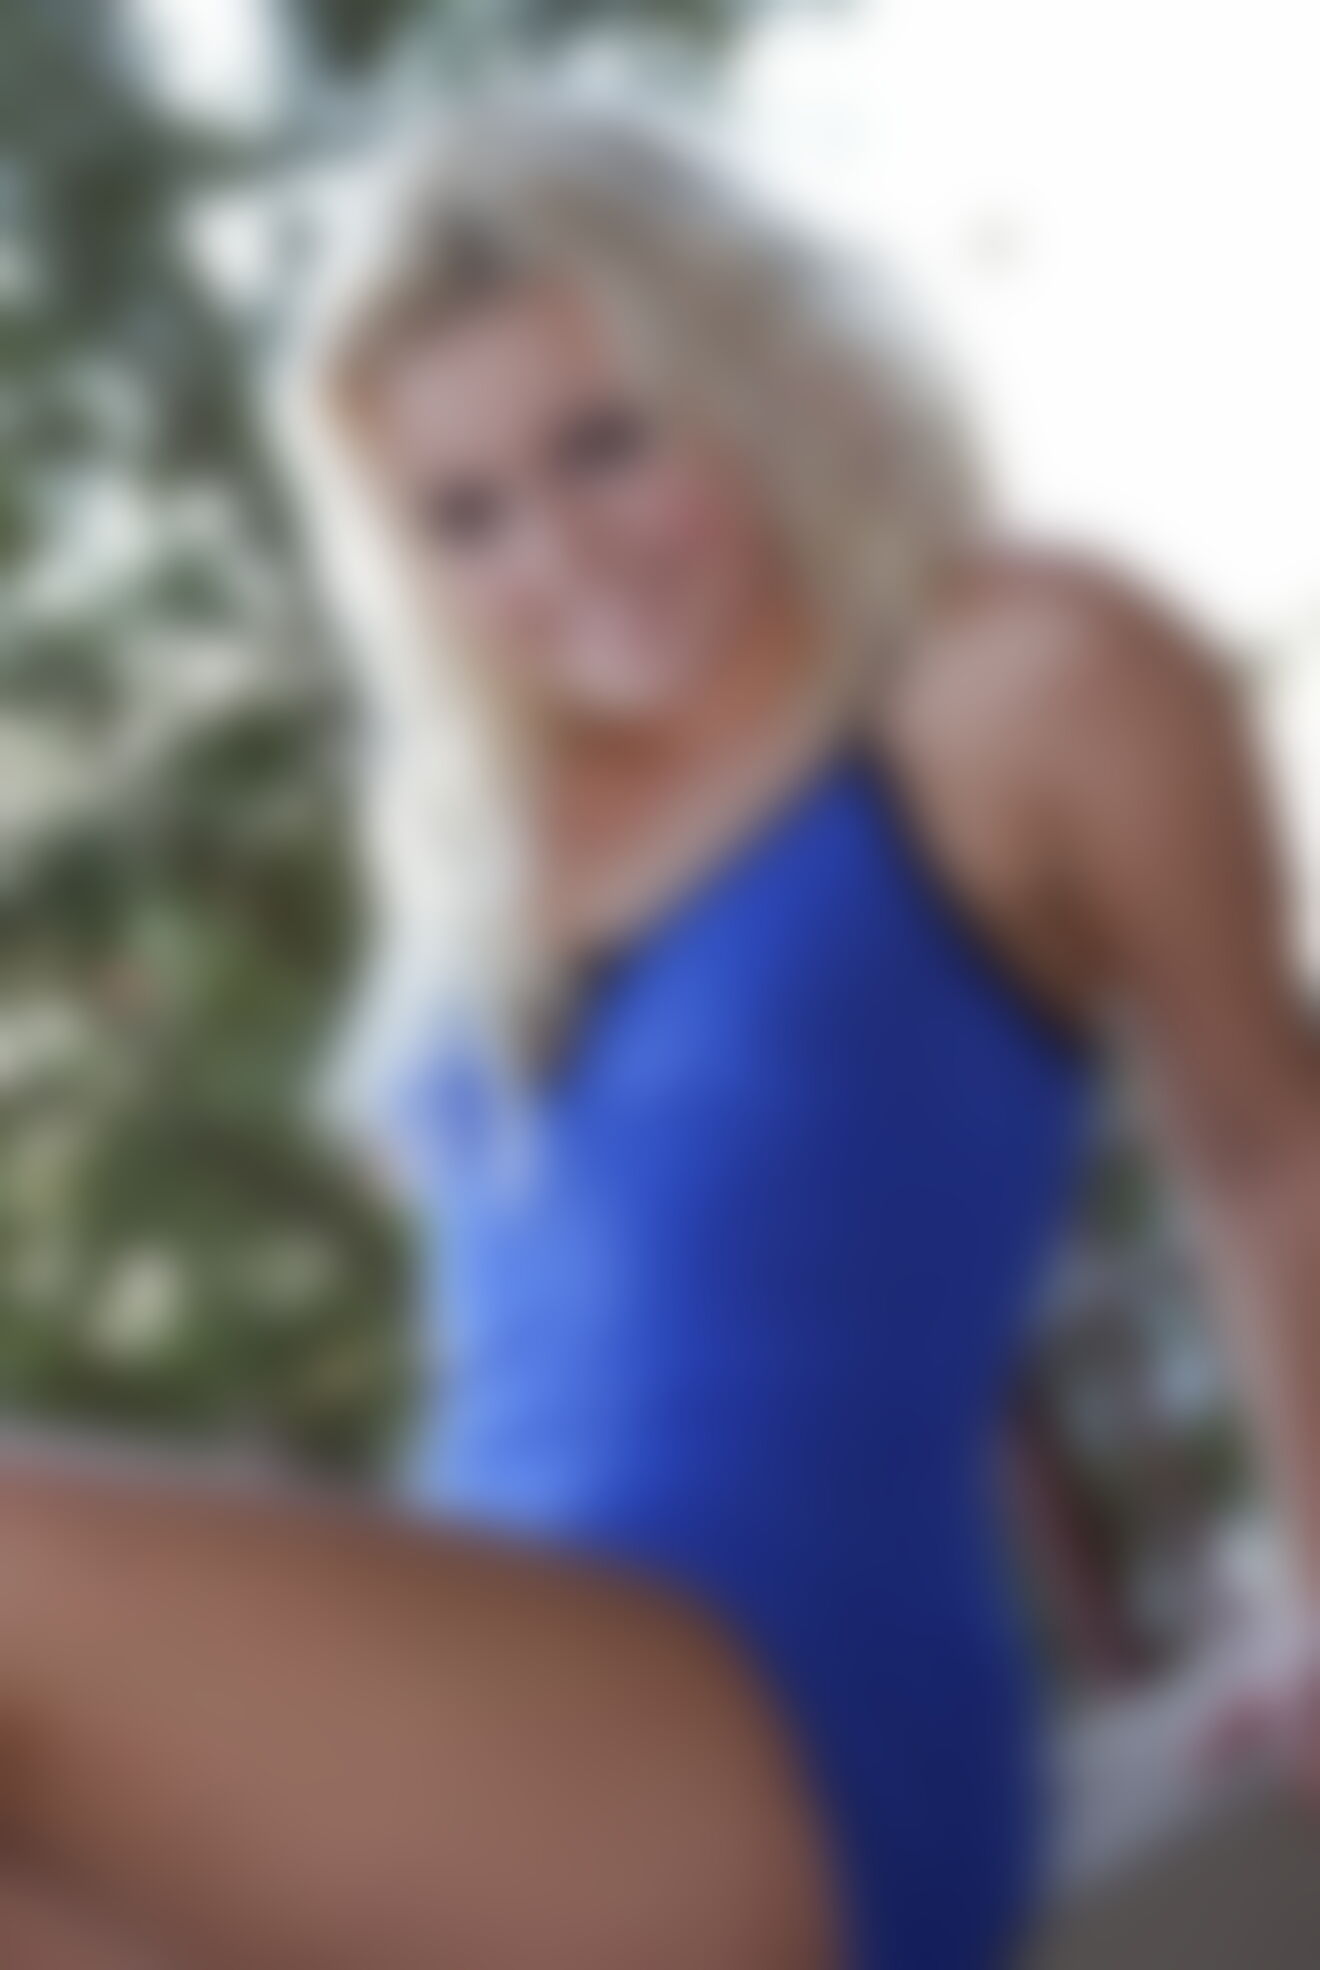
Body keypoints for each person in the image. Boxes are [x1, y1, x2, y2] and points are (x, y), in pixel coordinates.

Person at [1, 92, 1318, 1970]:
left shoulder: (1010, 680)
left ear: (755, 374)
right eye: (464, 515)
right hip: (492, 1725)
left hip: (777, 1719)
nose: (558, 555)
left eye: (606, 442)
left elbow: (1267, 1148)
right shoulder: (485, 848)